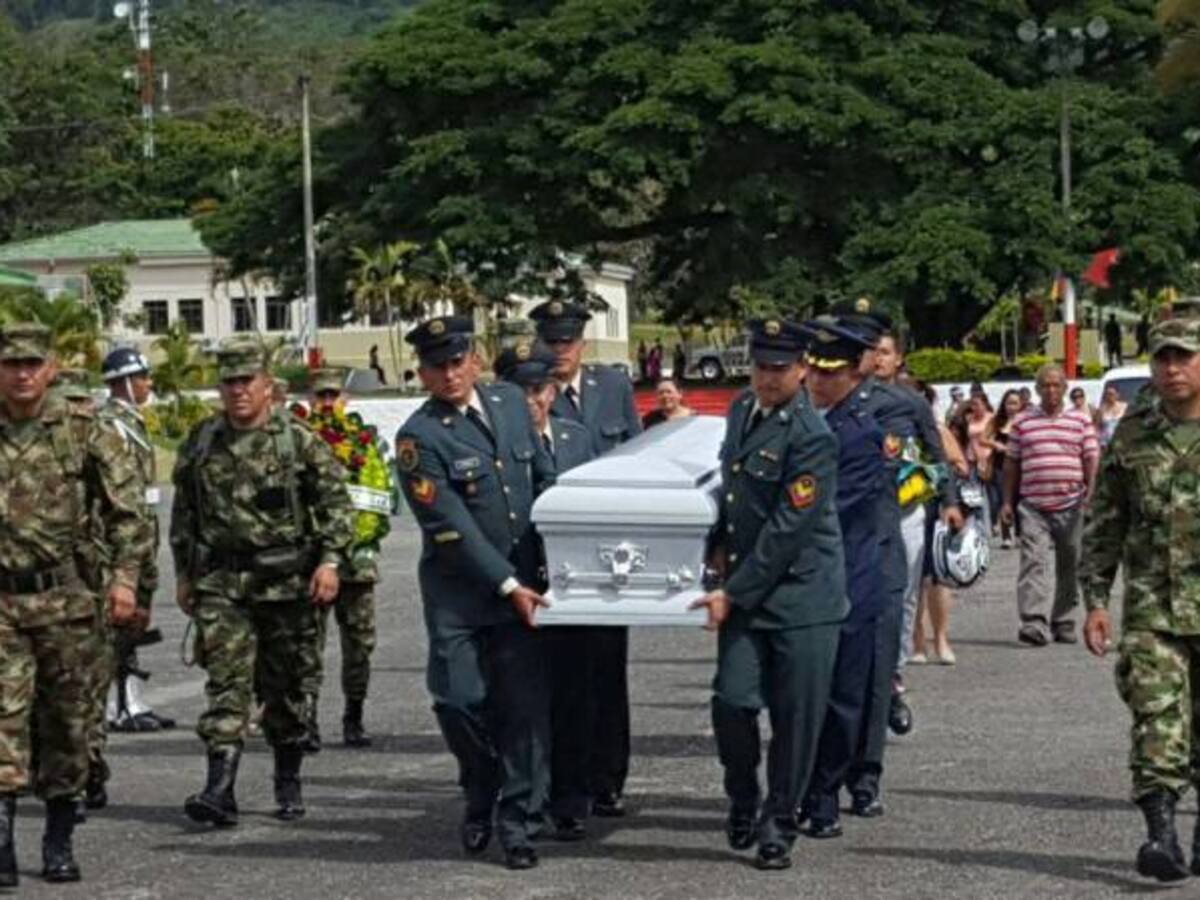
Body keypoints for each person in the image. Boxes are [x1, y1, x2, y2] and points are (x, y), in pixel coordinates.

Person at [172, 340, 354, 827]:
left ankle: (287, 777)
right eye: (229, 382)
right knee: (226, 685)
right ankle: (219, 789)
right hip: (223, 582)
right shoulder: (202, 441)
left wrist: (331, 562)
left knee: (288, 687)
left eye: (246, 381)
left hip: (287, 585)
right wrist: (184, 573)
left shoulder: (297, 440)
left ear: (268, 386)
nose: (237, 391)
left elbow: (338, 506)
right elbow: (184, 513)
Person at [395, 316, 554, 870]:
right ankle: (480, 783)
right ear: (422, 373)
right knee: (459, 700)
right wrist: (508, 583)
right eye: (436, 366)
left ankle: (518, 824)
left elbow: (541, 476)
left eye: (457, 360)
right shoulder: (419, 437)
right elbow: (450, 524)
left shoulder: (511, 403)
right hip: (461, 593)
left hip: (524, 586)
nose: (449, 373)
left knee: (522, 709)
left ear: (475, 359)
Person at [691, 317, 846, 870]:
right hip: (745, 592)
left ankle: (779, 822)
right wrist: (712, 543)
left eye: (780, 369)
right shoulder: (740, 411)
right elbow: (733, 491)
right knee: (732, 703)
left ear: (803, 370)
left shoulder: (812, 436)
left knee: (795, 720)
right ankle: (742, 795)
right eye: (760, 366)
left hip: (802, 599)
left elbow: (787, 531)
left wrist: (732, 591)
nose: (767, 378)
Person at [0, 323, 146, 886]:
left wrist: (125, 580)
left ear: (52, 368)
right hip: (4, 604)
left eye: (32, 363)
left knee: (68, 724)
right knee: (3, 722)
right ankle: (3, 841)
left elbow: (128, 511)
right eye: (12, 364)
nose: (22, 374)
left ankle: (58, 837)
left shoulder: (83, 430)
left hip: (66, 601)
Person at [1080, 312, 1200, 883]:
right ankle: (1161, 837)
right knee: (1156, 720)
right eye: (1163, 358)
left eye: (1184, 356)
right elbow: (1106, 518)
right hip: (1153, 607)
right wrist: (1096, 598)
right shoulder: (1133, 431)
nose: (1172, 368)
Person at [832, 300, 962, 817]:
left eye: (874, 348)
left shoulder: (903, 403)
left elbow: (933, 456)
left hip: (892, 524)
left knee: (887, 630)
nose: (869, 357)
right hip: (830, 537)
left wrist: (944, 499)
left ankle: (866, 772)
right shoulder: (814, 399)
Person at [531, 299, 640, 818]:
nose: (560, 352)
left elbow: (636, 460)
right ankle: (563, 780)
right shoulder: (526, 392)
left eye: (567, 343)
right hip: (553, 557)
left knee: (607, 672)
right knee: (560, 678)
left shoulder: (612, 388)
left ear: (581, 343)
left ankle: (608, 776)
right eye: (551, 342)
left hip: (608, 555)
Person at [494, 340, 598, 842]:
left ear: (553, 391)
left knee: (575, 695)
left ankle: (571, 796)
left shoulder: (578, 439)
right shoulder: (493, 444)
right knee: (519, 703)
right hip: (517, 583)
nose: (532, 401)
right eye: (520, 392)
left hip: (572, 587)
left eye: (539, 389)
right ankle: (519, 795)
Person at [797, 318, 886, 841]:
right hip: (804, 581)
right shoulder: (797, 421)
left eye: (831, 373)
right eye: (816, 370)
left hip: (848, 578)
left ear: (854, 373)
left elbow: (829, 507)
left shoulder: (862, 433)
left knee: (841, 697)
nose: (819, 381)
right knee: (800, 695)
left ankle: (826, 792)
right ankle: (798, 788)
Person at [85, 349, 173, 811]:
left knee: (134, 625)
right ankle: (114, 708)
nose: (147, 383)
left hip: (141, 538)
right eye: (140, 376)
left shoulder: (132, 422)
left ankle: (131, 701)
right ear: (121, 382)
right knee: (116, 630)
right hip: (117, 547)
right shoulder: (108, 424)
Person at [304, 368, 392, 748]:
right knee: (307, 644)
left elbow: (380, 494)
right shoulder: (299, 440)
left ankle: (353, 716)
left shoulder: (365, 442)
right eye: (320, 396)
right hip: (312, 562)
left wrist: (366, 541)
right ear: (310, 400)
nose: (327, 403)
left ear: (345, 400)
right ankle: (306, 719)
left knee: (359, 645)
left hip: (357, 560)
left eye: (333, 396)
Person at [999, 364, 1099, 646]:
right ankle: (1033, 622)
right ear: (1037, 389)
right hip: (1033, 506)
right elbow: (1011, 464)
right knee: (1033, 562)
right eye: (1045, 385)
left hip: (1071, 504)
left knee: (1070, 563)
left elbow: (1092, 459)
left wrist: (1091, 493)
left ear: (1065, 389)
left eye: (1056, 385)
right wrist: (1007, 501)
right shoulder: (1023, 422)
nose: (1051, 390)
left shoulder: (1080, 420)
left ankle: (1064, 620)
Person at [985, 389, 1024, 549]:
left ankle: (1020, 534)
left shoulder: (1024, 421)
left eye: (1015, 403)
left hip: (1022, 466)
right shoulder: (998, 421)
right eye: (1009, 403)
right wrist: (996, 444)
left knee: (1020, 501)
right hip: (1001, 466)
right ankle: (1006, 535)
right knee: (1003, 500)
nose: (1012, 407)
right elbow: (983, 438)